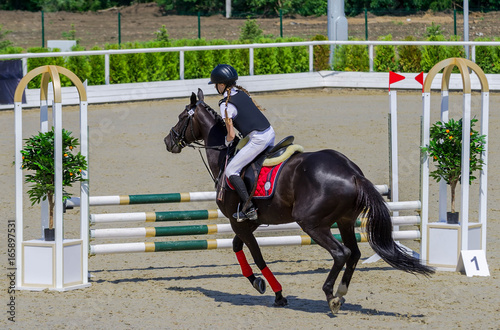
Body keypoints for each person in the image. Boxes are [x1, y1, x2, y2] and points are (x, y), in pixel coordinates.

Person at [209, 64, 275, 222]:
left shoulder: (225, 104)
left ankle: (249, 208)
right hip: (270, 133)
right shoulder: (242, 93)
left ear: (222, 85)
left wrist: (226, 141)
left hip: (258, 139)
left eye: (217, 84)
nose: (216, 88)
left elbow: (231, 135)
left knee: (231, 170)